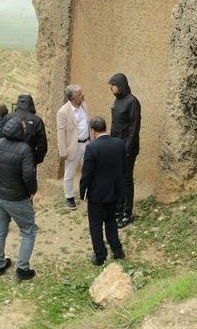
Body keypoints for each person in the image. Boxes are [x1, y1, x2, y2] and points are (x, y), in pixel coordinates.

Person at [0, 116, 38, 281]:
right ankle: (22, 268)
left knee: (0, 230)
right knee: (28, 231)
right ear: (21, 131)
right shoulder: (24, 149)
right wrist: (31, 191)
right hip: (18, 198)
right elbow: (29, 174)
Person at [79, 116, 126, 265]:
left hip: (97, 194)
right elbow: (123, 168)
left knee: (96, 225)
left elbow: (86, 174)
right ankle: (117, 250)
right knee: (111, 221)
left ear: (93, 131)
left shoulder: (92, 148)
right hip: (114, 191)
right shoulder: (120, 144)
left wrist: (82, 192)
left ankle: (100, 255)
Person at [108, 73, 141, 228]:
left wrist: (127, 148)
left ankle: (127, 214)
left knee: (126, 180)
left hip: (127, 149)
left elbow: (134, 128)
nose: (110, 88)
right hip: (115, 146)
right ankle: (117, 210)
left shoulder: (132, 102)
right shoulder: (117, 101)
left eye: (112, 85)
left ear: (120, 85)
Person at [56, 84, 90, 209]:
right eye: (80, 94)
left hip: (86, 144)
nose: (83, 96)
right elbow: (60, 132)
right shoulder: (63, 112)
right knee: (69, 173)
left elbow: (88, 123)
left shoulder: (84, 105)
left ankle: (87, 194)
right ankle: (69, 197)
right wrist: (62, 150)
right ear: (74, 98)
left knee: (89, 170)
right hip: (73, 146)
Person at [3, 94, 48, 167]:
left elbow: (0, 138)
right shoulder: (37, 120)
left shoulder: (8, 117)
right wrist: (35, 160)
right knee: (28, 178)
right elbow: (42, 145)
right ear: (31, 104)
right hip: (28, 160)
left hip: (8, 159)